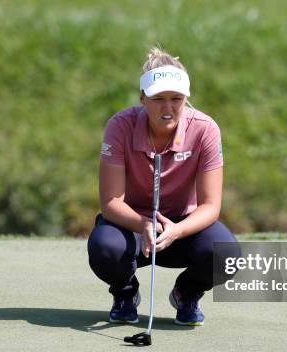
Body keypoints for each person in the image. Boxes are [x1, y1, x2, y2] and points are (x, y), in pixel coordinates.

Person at [87, 46, 239, 326]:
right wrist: (142, 224)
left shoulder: (205, 129)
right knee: (104, 248)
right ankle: (124, 292)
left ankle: (187, 293)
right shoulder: (119, 126)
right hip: (131, 226)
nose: (168, 108)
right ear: (142, 98)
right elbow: (110, 202)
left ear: (185, 99)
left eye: (176, 99)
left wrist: (178, 229)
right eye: (158, 99)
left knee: (226, 254)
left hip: (183, 226)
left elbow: (211, 205)